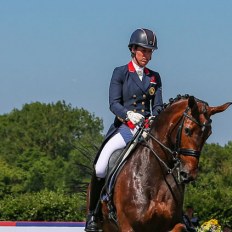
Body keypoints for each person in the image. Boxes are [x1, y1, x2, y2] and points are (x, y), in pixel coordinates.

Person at [85, 28, 163, 232]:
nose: (147, 55)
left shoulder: (155, 77)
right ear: (133, 49)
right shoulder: (120, 72)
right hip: (125, 128)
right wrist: (128, 115)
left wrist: (154, 117)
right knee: (101, 166)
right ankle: (93, 215)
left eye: (150, 51)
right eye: (143, 50)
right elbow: (114, 103)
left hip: (147, 130)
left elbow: (158, 106)